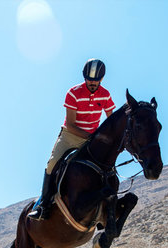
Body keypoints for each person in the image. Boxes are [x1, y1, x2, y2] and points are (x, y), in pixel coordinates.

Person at [28, 58, 116, 220]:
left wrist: (106, 140)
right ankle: (43, 204)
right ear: (84, 78)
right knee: (52, 163)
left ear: (101, 79)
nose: (92, 83)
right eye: (89, 80)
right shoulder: (73, 93)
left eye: (95, 81)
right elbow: (70, 124)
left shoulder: (105, 95)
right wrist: (92, 137)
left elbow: (111, 121)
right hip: (71, 135)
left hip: (91, 139)